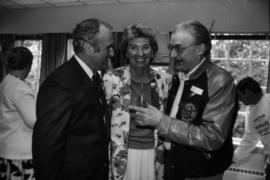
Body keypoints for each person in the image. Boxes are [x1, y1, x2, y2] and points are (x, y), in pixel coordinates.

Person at [129, 20, 239, 180]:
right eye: (171, 48)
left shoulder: (219, 81)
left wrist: (161, 121)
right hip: (173, 167)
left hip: (201, 173)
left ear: (200, 49)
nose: (173, 55)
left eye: (178, 49)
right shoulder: (178, 76)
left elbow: (212, 137)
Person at [32, 18, 114, 180]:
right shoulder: (60, 84)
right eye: (108, 47)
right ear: (89, 48)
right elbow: (48, 148)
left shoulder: (93, 78)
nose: (112, 53)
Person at [103, 23, 170, 180]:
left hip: (153, 154)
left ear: (152, 51)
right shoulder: (112, 78)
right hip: (121, 155)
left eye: (146, 47)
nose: (140, 53)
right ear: (126, 51)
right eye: (133, 47)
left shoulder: (163, 80)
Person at [0, 47, 36, 180]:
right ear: (27, 65)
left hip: (6, 148)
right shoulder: (20, 88)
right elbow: (33, 121)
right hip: (20, 154)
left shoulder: (5, 83)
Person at [234, 77, 270, 180]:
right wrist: (233, 157)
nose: (240, 100)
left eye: (240, 96)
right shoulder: (252, 115)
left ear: (248, 92)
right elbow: (249, 140)